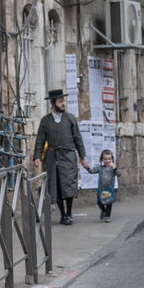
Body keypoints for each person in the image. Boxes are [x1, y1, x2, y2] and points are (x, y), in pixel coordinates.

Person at [32, 88, 88, 225]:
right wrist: (37, 157)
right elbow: (40, 139)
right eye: (60, 101)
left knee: (68, 185)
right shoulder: (45, 121)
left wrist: (82, 157)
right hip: (52, 157)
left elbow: (78, 138)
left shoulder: (70, 118)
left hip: (68, 156)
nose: (63, 104)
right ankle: (63, 215)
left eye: (63, 101)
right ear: (53, 103)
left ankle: (69, 213)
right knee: (55, 186)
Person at [83, 148, 119, 222]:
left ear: (112, 159)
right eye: (105, 159)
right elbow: (91, 171)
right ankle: (103, 211)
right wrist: (86, 167)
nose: (107, 161)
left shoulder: (113, 169)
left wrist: (115, 168)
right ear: (102, 160)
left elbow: (119, 174)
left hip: (109, 188)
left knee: (109, 203)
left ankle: (107, 216)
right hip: (101, 189)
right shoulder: (100, 168)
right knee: (99, 202)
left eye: (109, 159)